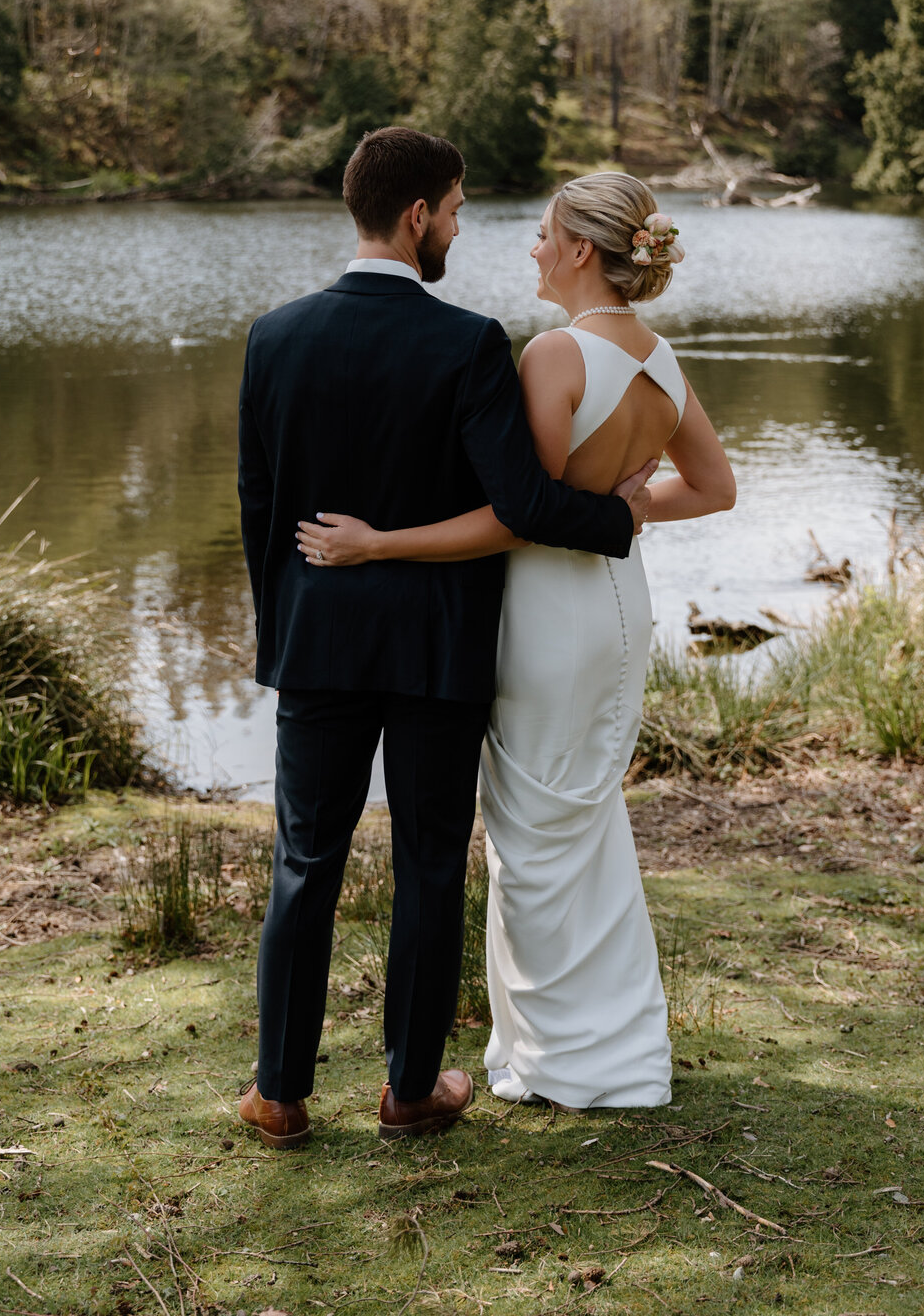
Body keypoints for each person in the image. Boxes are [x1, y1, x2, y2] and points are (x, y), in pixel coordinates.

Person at [237, 131, 657, 1149]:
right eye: (459, 211)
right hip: (438, 655)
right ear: (417, 215)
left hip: (320, 644)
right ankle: (409, 1092)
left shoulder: (274, 336)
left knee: (305, 860)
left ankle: (281, 1096)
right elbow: (520, 502)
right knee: (430, 862)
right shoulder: (468, 343)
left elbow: (261, 507)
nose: (465, 230)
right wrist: (621, 517)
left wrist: (283, 633)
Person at [299, 171, 736, 1111]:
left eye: (543, 234)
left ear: (583, 248)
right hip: (621, 604)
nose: (531, 248)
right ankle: (612, 1046)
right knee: (584, 818)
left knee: (532, 834)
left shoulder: (554, 356)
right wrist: (622, 510)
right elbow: (711, 490)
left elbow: (518, 516)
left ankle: (562, 1057)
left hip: (548, 611)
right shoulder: (660, 358)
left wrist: (381, 542)